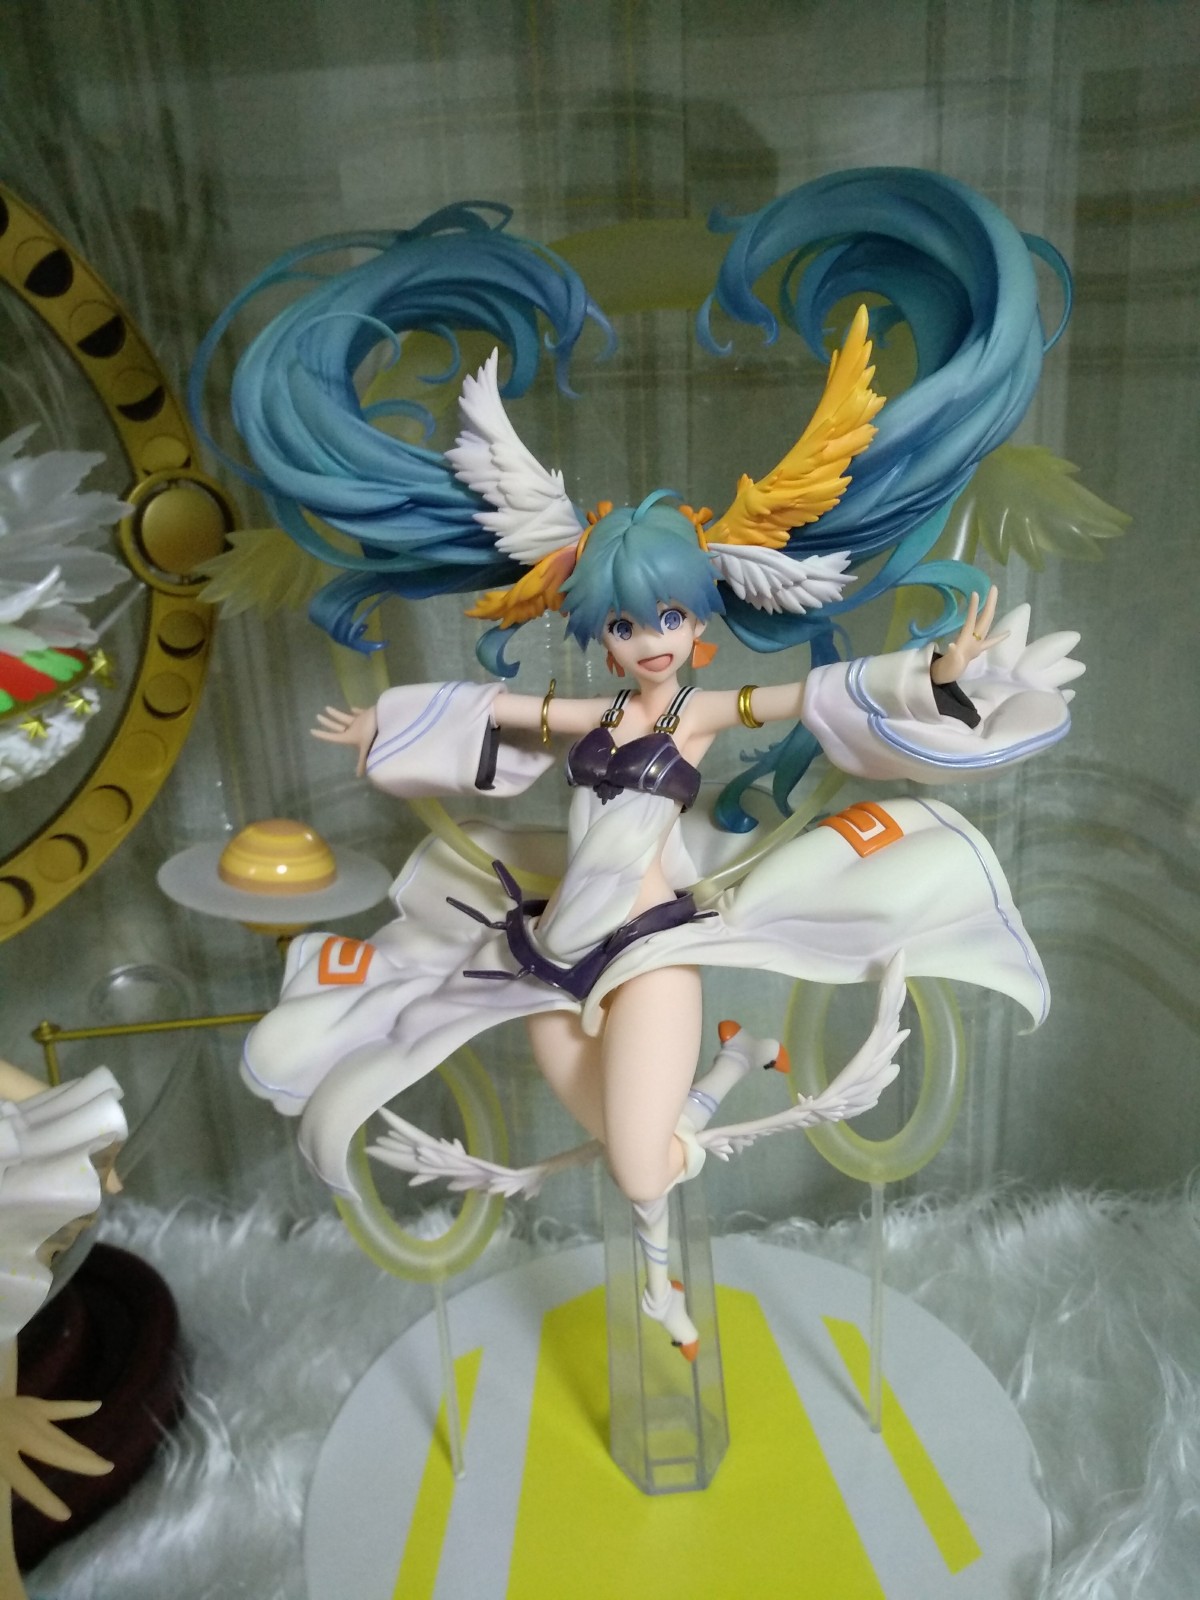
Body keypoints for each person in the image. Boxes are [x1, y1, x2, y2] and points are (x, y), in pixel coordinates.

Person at [196, 172, 1083, 1356]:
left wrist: (934, 676)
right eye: (625, 623)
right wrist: (386, 732)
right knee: (629, 1143)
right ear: (600, 631)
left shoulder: (703, 710)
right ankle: (726, 1080)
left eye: (666, 616)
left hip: (655, 946)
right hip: (548, 951)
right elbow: (495, 709)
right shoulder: (593, 711)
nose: (649, 638)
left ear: (700, 618)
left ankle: (666, 1277)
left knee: (631, 1160)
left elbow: (818, 694)